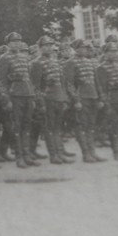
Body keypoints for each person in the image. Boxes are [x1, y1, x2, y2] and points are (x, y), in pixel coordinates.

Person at [30, 36, 74, 164]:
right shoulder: (36, 63)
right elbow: (35, 86)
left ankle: (60, 153)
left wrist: (64, 98)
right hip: (47, 99)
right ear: (40, 47)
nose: (49, 48)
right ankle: (54, 155)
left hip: (58, 98)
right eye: (45, 45)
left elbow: (63, 82)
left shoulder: (56, 62)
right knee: (49, 128)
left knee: (57, 128)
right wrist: (40, 102)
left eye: (50, 45)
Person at [0, 32, 38, 168]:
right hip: (15, 96)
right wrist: (6, 99)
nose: (17, 43)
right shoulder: (4, 58)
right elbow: (1, 82)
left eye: (19, 41)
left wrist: (32, 96)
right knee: (16, 127)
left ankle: (27, 154)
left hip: (27, 94)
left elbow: (29, 78)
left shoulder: (24, 57)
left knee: (27, 125)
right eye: (13, 41)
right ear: (8, 44)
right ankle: (19, 157)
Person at [64, 40, 106, 163]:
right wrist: (76, 99)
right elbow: (70, 84)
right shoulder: (70, 63)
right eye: (82, 48)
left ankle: (93, 152)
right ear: (76, 49)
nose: (85, 50)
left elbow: (96, 82)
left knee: (91, 126)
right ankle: (86, 153)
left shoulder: (90, 62)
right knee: (82, 126)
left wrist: (100, 98)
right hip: (81, 98)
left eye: (86, 48)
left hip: (93, 96)